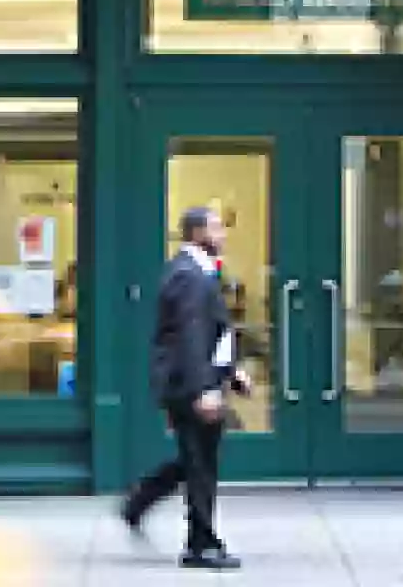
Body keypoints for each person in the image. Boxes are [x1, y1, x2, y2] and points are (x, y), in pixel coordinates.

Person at [120, 206, 250, 570]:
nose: (223, 235)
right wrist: (204, 390)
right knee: (201, 464)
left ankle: (140, 501)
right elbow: (190, 338)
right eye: (216, 228)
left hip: (194, 381)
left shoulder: (195, 273)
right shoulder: (189, 276)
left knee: (195, 459)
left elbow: (208, 334)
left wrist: (231, 373)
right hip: (189, 385)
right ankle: (200, 544)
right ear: (196, 234)